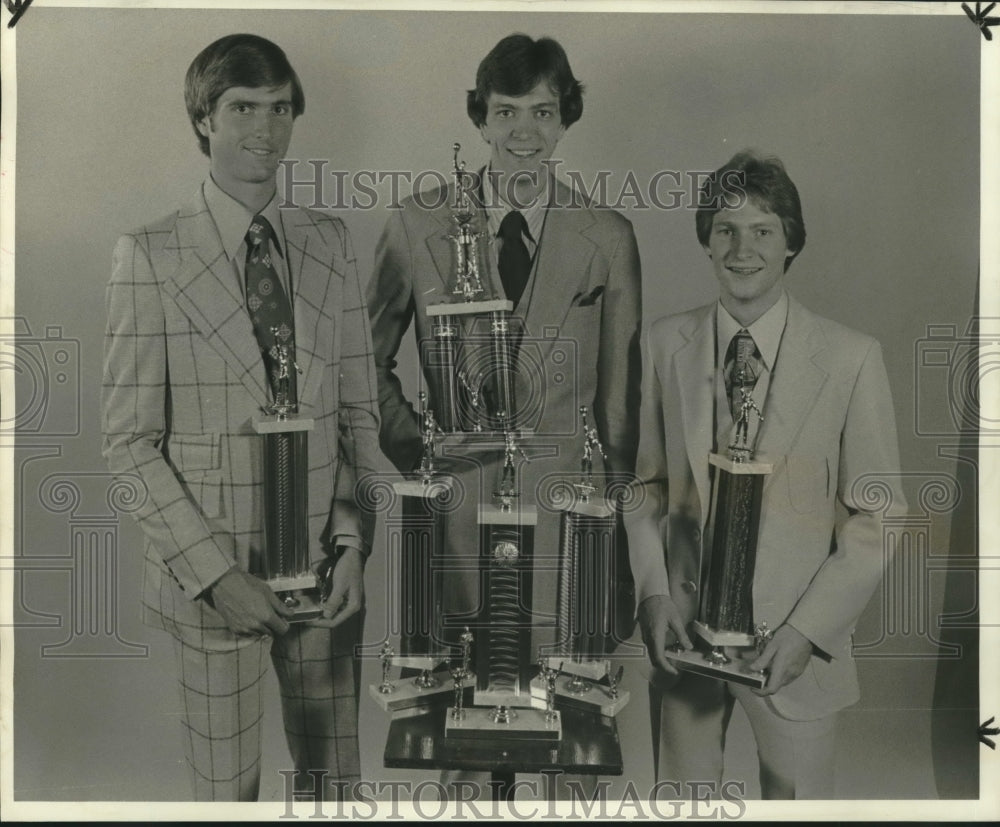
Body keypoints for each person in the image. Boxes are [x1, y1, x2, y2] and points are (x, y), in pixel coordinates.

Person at [101, 34, 380, 801]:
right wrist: (216, 575)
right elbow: (129, 444)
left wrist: (354, 539)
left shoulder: (330, 244)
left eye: (281, 107)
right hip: (213, 580)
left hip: (325, 577)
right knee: (228, 797)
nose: (265, 127)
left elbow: (358, 414)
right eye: (242, 107)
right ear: (204, 121)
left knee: (336, 791)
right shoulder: (150, 253)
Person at [366, 32, 641, 799]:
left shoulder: (609, 237)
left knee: (571, 762)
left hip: (565, 539)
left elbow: (622, 411)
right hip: (450, 530)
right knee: (456, 756)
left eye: (544, 111)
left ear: (566, 121)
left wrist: (612, 554)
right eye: (507, 110)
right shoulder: (418, 224)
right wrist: (419, 450)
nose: (525, 131)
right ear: (480, 119)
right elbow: (364, 360)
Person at [625, 151, 906, 799]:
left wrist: (807, 630)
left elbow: (878, 516)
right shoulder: (664, 345)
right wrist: (655, 595)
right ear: (705, 240)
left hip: (791, 650)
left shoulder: (850, 358)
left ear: (791, 244)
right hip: (685, 640)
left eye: (763, 230)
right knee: (684, 804)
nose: (741, 247)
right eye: (725, 229)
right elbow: (643, 488)